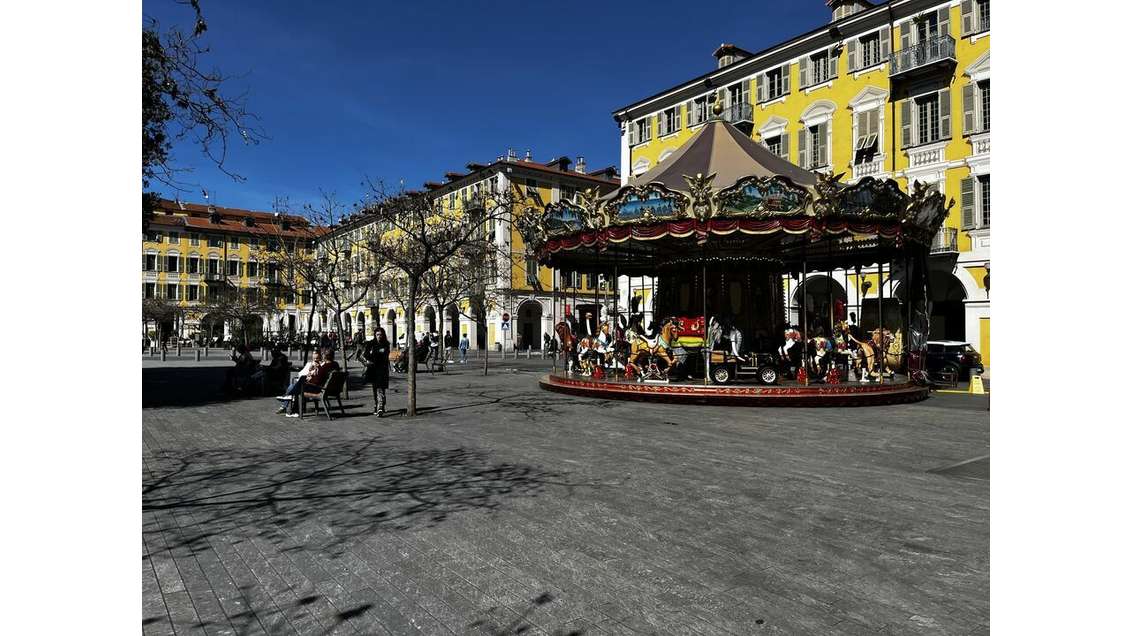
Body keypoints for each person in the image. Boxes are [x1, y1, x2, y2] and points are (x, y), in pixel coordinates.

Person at [283, 348, 339, 417]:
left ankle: (294, 409)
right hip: (331, 389)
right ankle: (291, 395)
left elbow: (316, 381)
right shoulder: (335, 364)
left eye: (322, 355)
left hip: (319, 388)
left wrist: (309, 379)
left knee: (301, 383)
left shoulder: (324, 367)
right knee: (302, 380)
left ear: (324, 356)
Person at [276, 349, 320, 413]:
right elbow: (300, 374)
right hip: (304, 383)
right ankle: (287, 401)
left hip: (310, 386)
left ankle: (286, 402)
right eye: (314, 358)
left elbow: (315, 378)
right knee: (293, 385)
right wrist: (309, 370)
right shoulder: (309, 364)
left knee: (292, 386)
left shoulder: (320, 366)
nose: (315, 360)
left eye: (317, 358)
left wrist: (313, 371)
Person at [360, 327, 391, 417]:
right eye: (377, 335)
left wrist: (374, 355)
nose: (379, 336)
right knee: (375, 388)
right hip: (373, 369)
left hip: (382, 369)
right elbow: (365, 354)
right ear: (375, 335)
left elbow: (385, 356)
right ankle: (377, 404)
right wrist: (374, 355)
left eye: (380, 335)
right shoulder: (371, 343)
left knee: (381, 388)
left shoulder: (386, 344)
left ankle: (380, 407)